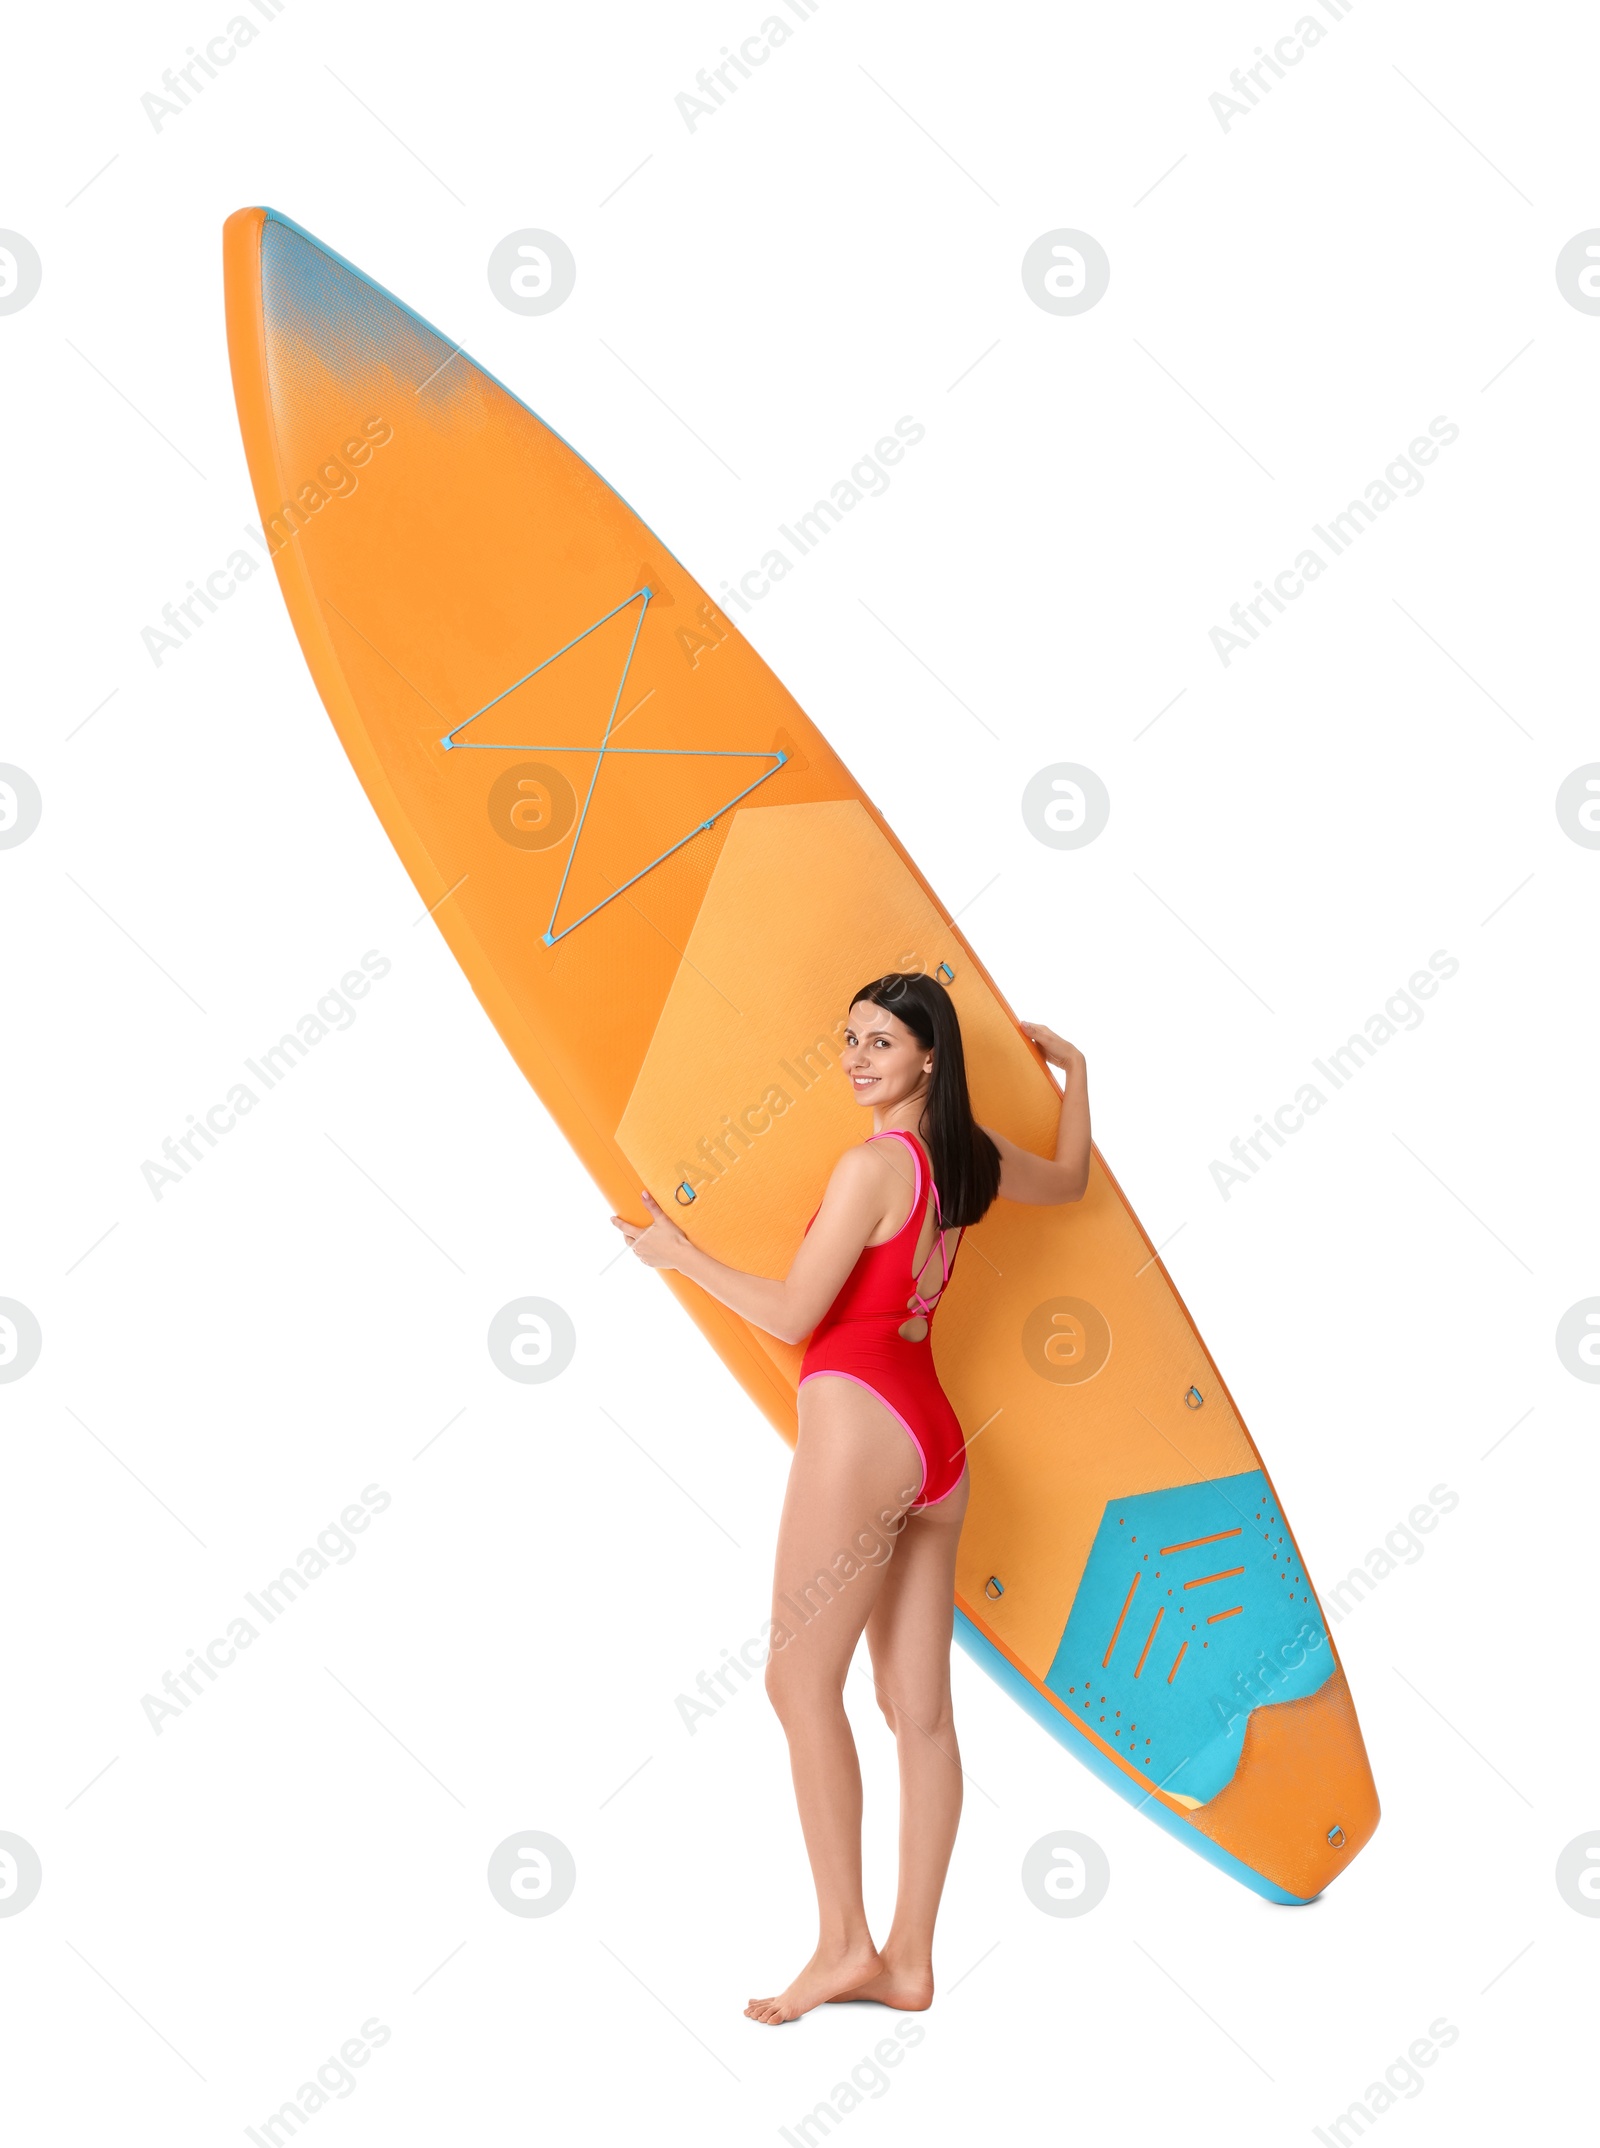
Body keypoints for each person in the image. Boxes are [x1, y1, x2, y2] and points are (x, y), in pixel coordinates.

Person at [611, 972, 1090, 2024]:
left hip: (862, 1422)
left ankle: (844, 1945)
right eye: (848, 1040)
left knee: (797, 1683)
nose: (857, 1059)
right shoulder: (968, 1157)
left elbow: (792, 1313)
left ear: (927, 1056)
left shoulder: (874, 1165)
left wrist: (674, 1256)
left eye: (881, 1042)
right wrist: (1078, 1076)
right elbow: (1067, 1182)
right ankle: (908, 1963)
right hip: (935, 1441)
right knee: (916, 1712)